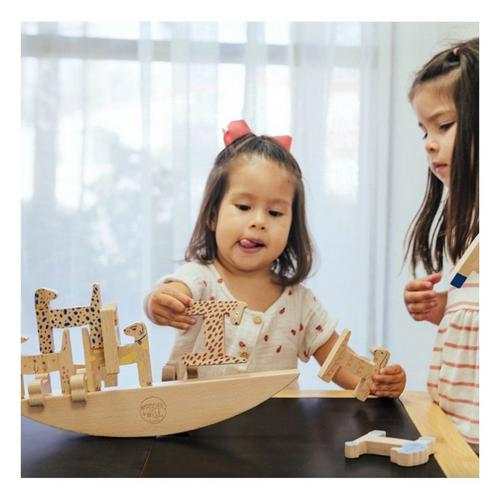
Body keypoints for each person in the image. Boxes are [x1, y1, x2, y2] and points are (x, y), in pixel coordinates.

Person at [145, 119, 406, 396]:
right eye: (243, 206)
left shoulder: (300, 303)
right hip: (198, 420)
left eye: (275, 213)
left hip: (277, 424)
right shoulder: (200, 278)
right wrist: (159, 302)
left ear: (291, 227)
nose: (259, 221)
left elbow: (340, 362)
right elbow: (171, 292)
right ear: (212, 215)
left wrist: (378, 380)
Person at [403, 38, 479, 446]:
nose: (429, 143)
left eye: (444, 126)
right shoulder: (464, 220)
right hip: (457, 425)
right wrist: (445, 308)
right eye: (424, 131)